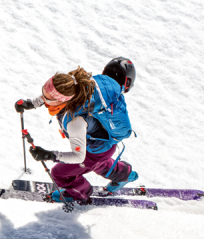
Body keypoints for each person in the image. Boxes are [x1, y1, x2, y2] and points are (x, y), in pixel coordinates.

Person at [14, 65, 137, 203]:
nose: (45, 101)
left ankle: (80, 193)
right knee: (97, 164)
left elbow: (78, 157)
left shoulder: (75, 122)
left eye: (48, 99)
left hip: (95, 151)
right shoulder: (73, 86)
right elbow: (54, 93)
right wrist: (32, 103)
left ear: (62, 100)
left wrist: (50, 155)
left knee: (59, 174)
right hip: (102, 146)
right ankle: (125, 175)